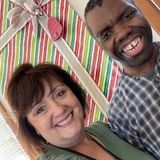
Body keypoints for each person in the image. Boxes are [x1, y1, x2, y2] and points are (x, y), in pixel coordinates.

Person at [7, 63, 156, 160]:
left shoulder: (103, 129)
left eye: (60, 94)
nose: (59, 109)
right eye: (40, 109)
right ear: (32, 127)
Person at [84, 0, 160, 159]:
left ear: (140, 10)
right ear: (100, 46)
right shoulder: (120, 112)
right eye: (106, 34)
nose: (122, 32)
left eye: (127, 16)